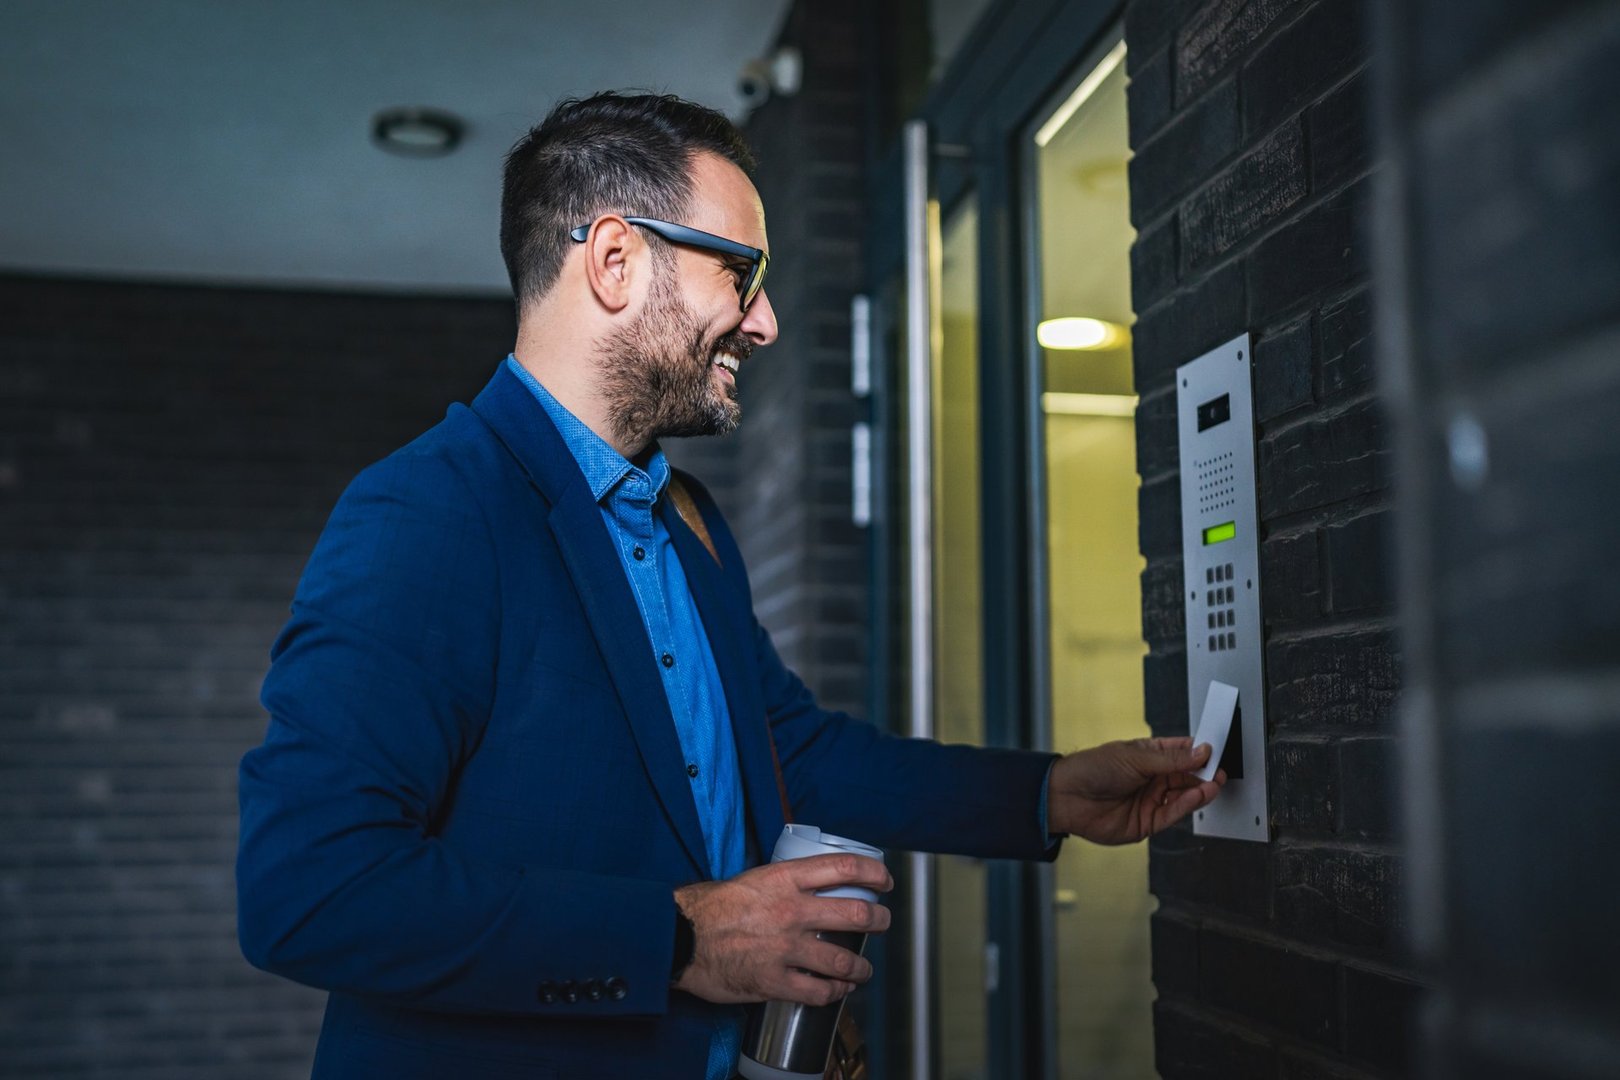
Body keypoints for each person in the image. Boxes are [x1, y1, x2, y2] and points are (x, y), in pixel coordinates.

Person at [235, 91, 1223, 1080]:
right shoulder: (430, 510)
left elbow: (789, 750)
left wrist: (1045, 794)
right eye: (741, 273)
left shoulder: (687, 522)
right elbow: (311, 889)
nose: (767, 321)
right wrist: (682, 940)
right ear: (614, 260)